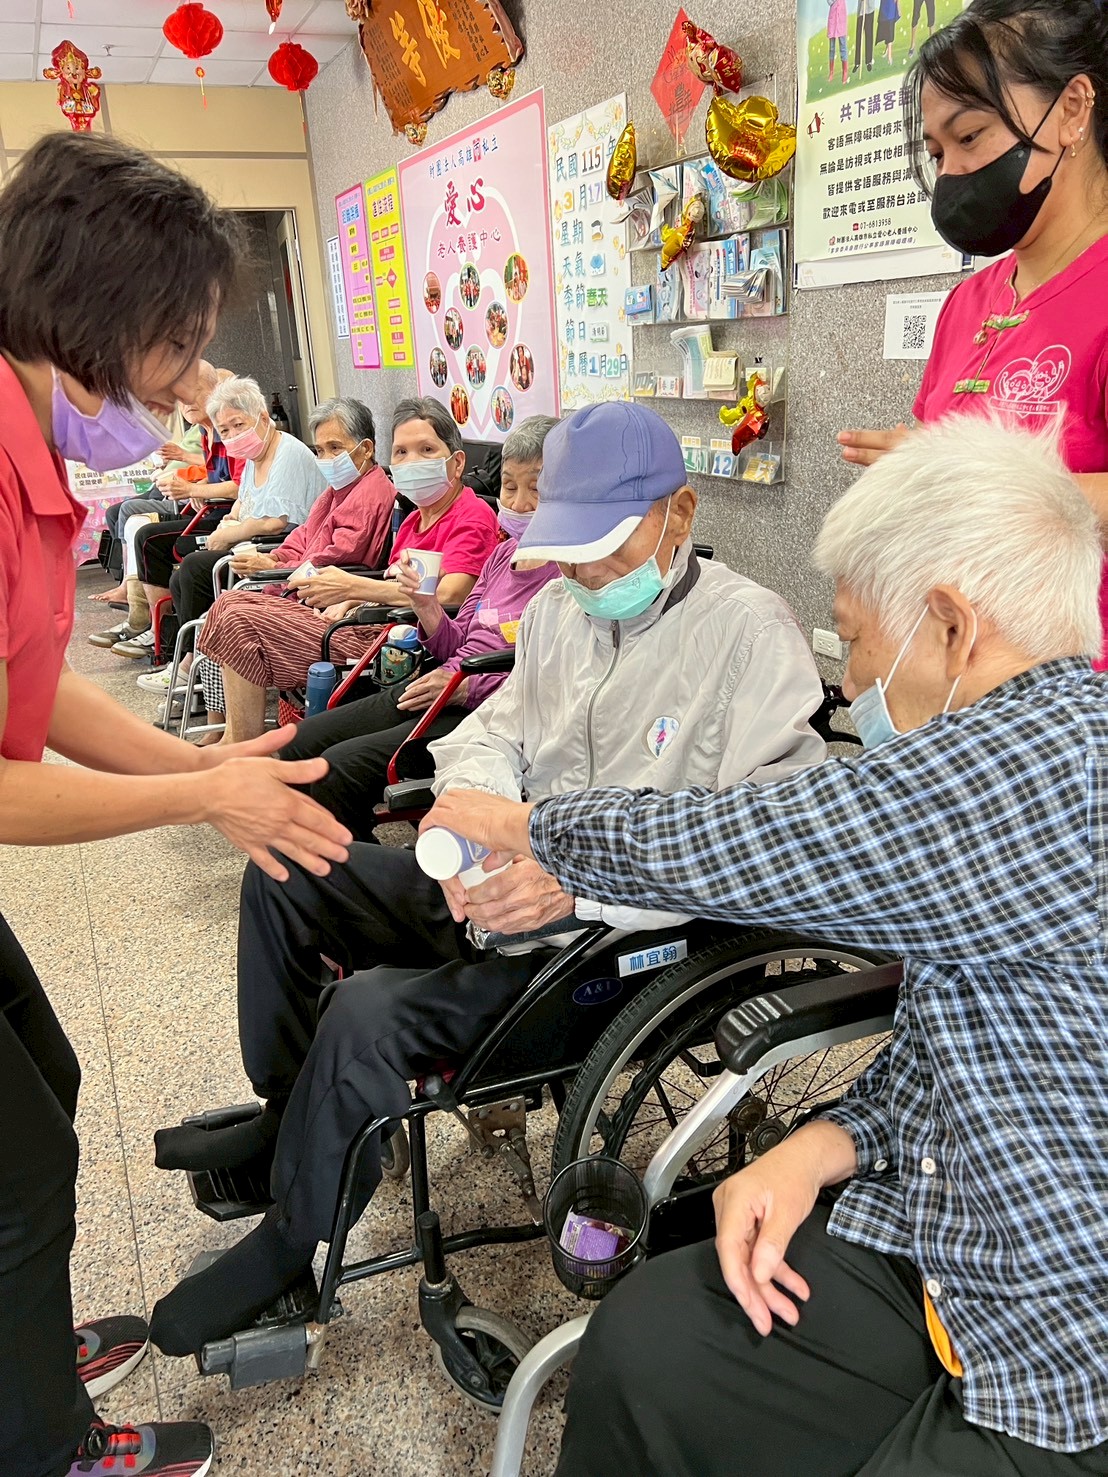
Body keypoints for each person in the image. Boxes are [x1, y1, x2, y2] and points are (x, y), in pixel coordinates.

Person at [426, 416, 1108, 1477]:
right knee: (646, 1342)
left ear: (948, 625)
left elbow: (754, 838)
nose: (857, 683)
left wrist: (525, 827)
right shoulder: (558, 614)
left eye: (859, 641)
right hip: (943, 1216)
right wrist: (824, 1141)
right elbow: (964, 1042)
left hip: (1058, 1327)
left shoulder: (1041, 764)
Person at [145, 401, 827, 1359]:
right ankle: (285, 1116)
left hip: (613, 940)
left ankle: (293, 1239)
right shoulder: (558, 612)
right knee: (288, 868)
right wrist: (466, 813)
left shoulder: (750, 634)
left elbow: (767, 843)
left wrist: (576, 883)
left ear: (680, 511)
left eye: (603, 548)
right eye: (568, 549)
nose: (583, 575)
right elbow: (488, 735)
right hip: (498, 886)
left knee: (369, 1013)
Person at [0, 131, 351, 1477]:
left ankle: (24, 1354)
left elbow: (30, 692)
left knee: (47, 1078)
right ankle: (44, 1442)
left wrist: (200, 773)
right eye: (182, 345)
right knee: (19, 1166)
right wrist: (198, 793)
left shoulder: (31, 443)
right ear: (101, 309)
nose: (188, 383)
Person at [839, 0, 1108, 664]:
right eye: (936, 152)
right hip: (956, 676)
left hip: (1074, 693)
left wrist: (965, 479)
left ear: (1073, 110)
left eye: (970, 136)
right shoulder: (967, 303)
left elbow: (959, 479)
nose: (950, 174)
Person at [276, 414, 562, 839]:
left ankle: (351, 867)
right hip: (442, 685)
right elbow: (457, 642)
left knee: (338, 769)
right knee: (298, 743)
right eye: (509, 487)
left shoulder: (568, 574)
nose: (519, 504)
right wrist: (426, 607)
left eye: (536, 490)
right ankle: (312, 856)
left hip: (488, 709)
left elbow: (550, 673)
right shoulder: (504, 555)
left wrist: (467, 686)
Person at [194, 397, 499, 744]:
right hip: (364, 620)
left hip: (397, 643)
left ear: (456, 462)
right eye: (401, 452)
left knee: (238, 617)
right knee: (231, 604)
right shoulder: (414, 518)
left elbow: (450, 594)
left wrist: (353, 588)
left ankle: (241, 744)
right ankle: (235, 738)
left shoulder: (471, 515)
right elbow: (388, 579)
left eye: (426, 450)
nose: (412, 461)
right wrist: (352, 599)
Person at [137, 396, 393, 700]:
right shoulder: (338, 489)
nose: (326, 458)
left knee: (230, 617)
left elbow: (335, 559)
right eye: (320, 450)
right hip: (298, 584)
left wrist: (275, 568)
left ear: (366, 448)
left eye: (335, 448)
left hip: (323, 603)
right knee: (224, 605)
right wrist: (274, 557)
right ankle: (210, 706)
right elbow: (303, 536)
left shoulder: (368, 495)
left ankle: (213, 707)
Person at [119, 374, 325, 668]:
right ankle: (188, 655)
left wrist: (228, 534)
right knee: (180, 574)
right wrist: (229, 520)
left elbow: (275, 523)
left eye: (238, 425)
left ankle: (193, 662)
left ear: (262, 417)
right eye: (225, 430)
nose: (232, 436)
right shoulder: (256, 455)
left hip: (279, 547)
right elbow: (243, 498)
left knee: (194, 567)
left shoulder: (287, 453)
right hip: (251, 539)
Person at [88, 359, 242, 641]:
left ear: (216, 391)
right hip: (205, 506)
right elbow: (217, 476)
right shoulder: (206, 431)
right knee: (136, 524)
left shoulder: (231, 431)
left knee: (145, 532)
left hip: (228, 517)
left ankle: (158, 633)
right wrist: (197, 487)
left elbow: (239, 486)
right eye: (179, 396)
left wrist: (193, 489)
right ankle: (149, 625)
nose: (186, 401)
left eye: (193, 391)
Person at [853, 0, 877, 74]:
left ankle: (868, 61)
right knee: (859, 37)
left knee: (869, 35)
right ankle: (857, 62)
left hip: (869, 9)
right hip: (861, 10)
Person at [828, 0, 849, 84]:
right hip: (833, 14)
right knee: (832, 48)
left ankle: (845, 71)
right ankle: (831, 72)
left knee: (843, 45)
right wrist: (833, 2)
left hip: (841, 15)